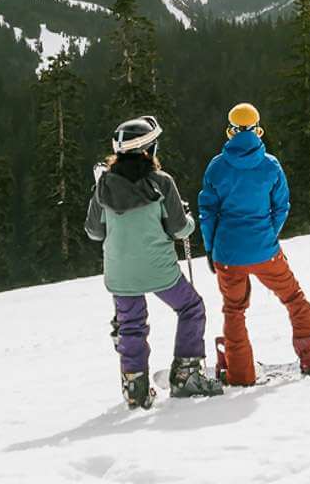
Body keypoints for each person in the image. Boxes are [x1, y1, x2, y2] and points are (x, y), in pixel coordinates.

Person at [84, 115, 224, 408]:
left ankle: (135, 388)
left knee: (131, 325)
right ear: (148, 149)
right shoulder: (162, 182)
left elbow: (94, 232)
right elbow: (179, 229)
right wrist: (187, 219)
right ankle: (186, 375)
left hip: (120, 272)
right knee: (190, 308)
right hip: (159, 269)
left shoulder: (104, 186)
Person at [198, 102, 310, 384]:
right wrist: (267, 235)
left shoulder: (217, 167)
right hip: (265, 250)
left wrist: (210, 249)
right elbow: (281, 207)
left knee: (234, 310)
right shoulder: (270, 165)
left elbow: (207, 212)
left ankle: (240, 374)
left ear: (230, 131)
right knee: (294, 299)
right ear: (258, 130)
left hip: (227, 253)